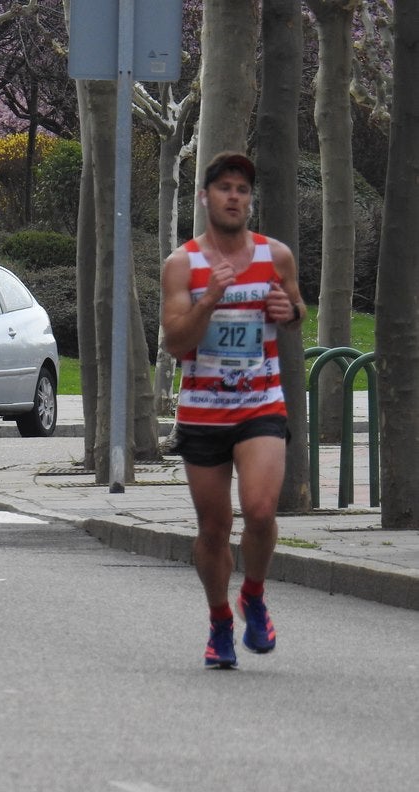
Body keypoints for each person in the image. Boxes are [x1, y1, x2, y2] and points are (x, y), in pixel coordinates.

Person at [160, 151, 305, 670]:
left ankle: (255, 594)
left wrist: (290, 312)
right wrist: (210, 300)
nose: (233, 197)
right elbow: (177, 342)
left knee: (263, 511)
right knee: (214, 528)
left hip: (260, 403)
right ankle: (221, 619)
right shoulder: (184, 264)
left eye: (242, 189)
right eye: (224, 188)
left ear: (250, 199)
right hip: (203, 412)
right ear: (205, 197)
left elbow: (295, 308)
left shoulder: (276, 256)